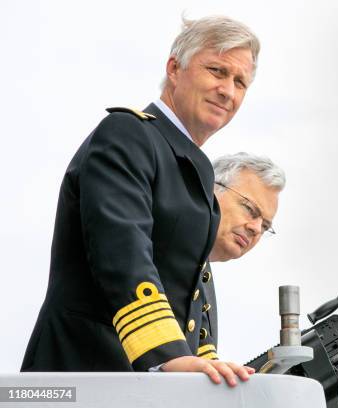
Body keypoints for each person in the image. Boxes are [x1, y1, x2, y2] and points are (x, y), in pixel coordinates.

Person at [22, 16, 260, 387]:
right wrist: (168, 355)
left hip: (139, 385)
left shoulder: (191, 168)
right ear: (174, 68)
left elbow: (190, 299)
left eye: (240, 82)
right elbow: (122, 248)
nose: (227, 90)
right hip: (80, 374)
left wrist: (209, 371)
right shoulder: (128, 135)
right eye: (217, 71)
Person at [198, 152, 285, 351]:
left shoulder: (201, 272)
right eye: (249, 209)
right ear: (211, 189)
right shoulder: (155, 247)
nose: (255, 228)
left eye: (265, 226)